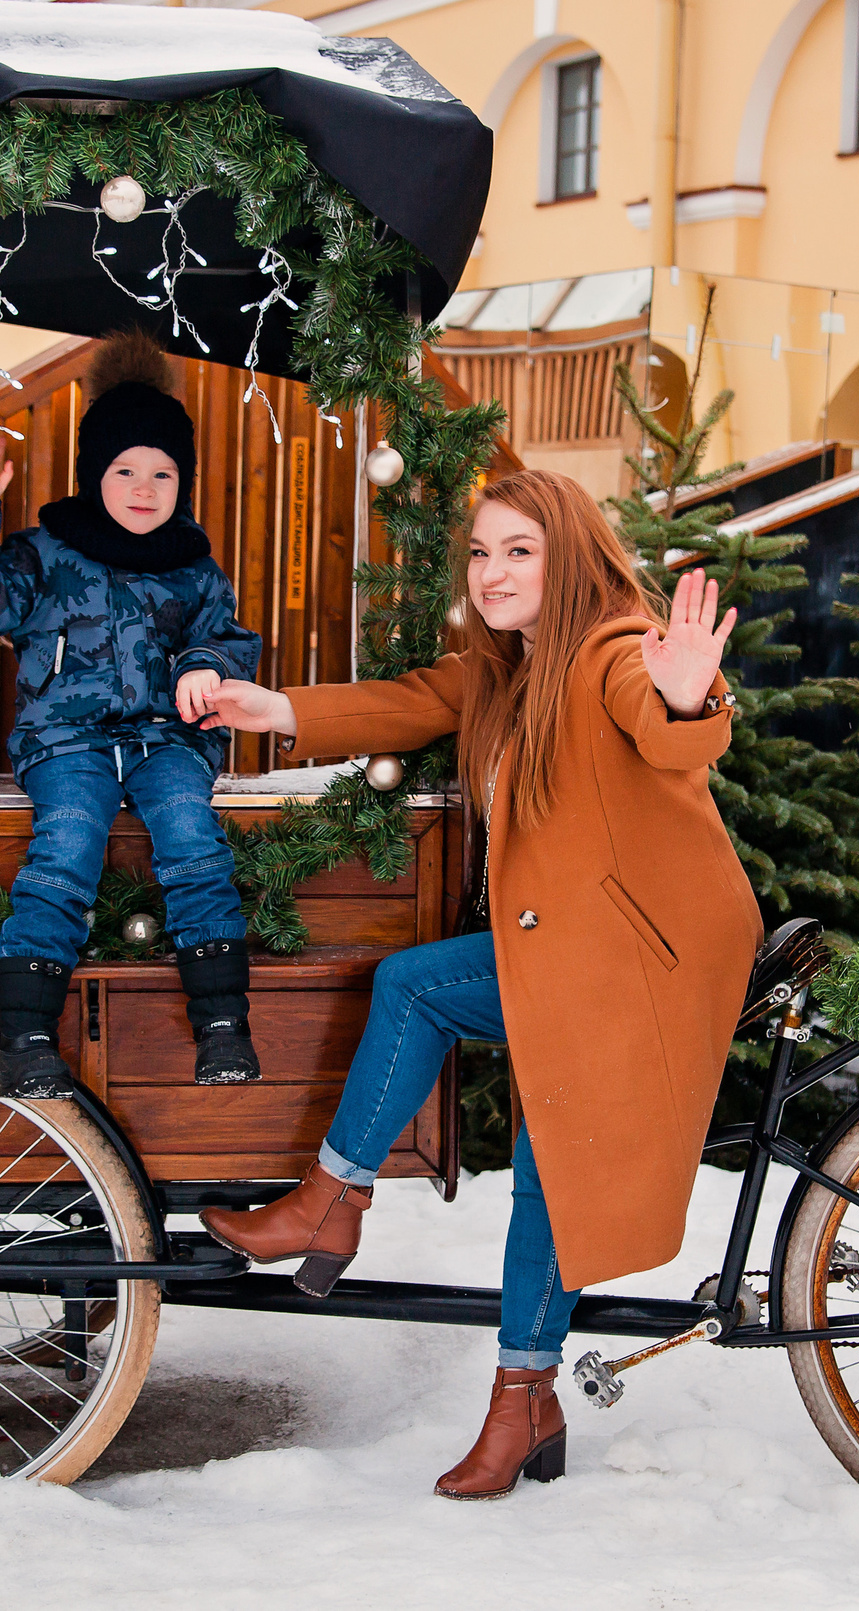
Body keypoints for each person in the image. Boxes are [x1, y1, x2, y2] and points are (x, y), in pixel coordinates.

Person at [194, 465, 761, 1501]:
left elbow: (666, 714)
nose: (491, 574)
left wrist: (690, 694)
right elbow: (406, 702)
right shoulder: (506, 665)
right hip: (573, 948)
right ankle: (335, 1205)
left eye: (518, 552)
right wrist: (270, 705)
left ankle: (516, 1394)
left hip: (644, 960)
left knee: (550, 1160)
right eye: (480, 552)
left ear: (568, 558)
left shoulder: (606, 651)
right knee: (415, 985)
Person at [0, 329, 263, 1099]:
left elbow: (228, 637)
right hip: (66, 742)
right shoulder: (47, 554)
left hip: (164, 741)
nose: (144, 487)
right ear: (95, 474)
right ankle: (28, 1033)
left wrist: (205, 666)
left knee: (191, 832)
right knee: (67, 844)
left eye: (162, 472)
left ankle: (221, 1021)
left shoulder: (193, 565)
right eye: (125, 470)